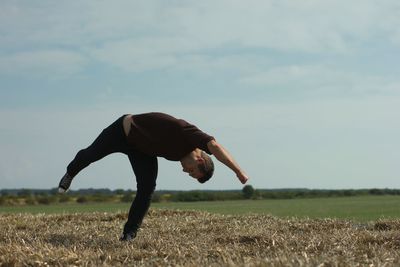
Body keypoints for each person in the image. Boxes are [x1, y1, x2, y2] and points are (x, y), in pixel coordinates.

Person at [58, 112, 249, 241]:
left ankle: (129, 234)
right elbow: (215, 146)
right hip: (122, 131)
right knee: (90, 155)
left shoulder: (180, 156)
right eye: (192, 171)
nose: (185, 171)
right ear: (200, 160)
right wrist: (238, 171)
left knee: (147, 187)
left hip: (141, 151)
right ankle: (70, 173)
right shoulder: (189, 134)